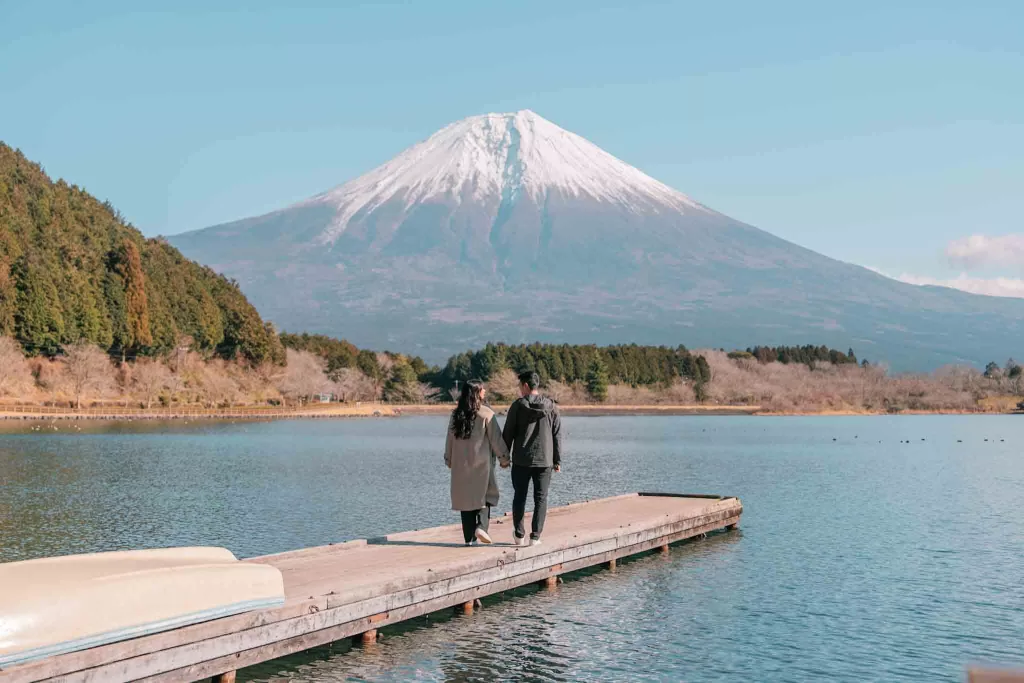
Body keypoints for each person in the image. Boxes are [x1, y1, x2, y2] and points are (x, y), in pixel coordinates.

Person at [445, 379, 510, 545]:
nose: (485, 392)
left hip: (461, 466)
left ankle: (469, 539)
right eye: (482, 390)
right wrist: (504, 458)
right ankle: (481, 527)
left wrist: (449, 459)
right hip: (481, 465)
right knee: (484, 496)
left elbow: (450, 440)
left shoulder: (456, 415)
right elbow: (496, 439)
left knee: (465, 501)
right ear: (476, 393)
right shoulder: (486, 414)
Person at [502, 371, 562, 547]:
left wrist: (503, 457)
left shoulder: (517, 406)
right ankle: (535, 537)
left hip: (521, 460)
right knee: (541, 498)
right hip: (545, 461)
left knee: (519, 497)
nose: (520, 390)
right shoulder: (551, 406)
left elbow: (508, 434)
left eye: (520, 386)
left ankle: (519, 535)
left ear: (526, 386)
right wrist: (557, 460)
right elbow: (557, 435)